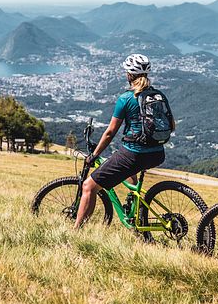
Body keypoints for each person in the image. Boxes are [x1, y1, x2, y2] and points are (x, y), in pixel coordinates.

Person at [74, 53, 174, 228]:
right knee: (125, 162)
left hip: (135, 155)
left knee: (89, 186)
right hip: (158, 153)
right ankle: (134, 199)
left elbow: (110, 132)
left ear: (129, 75)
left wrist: (94, 155)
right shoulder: (158, 96)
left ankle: (76, 231)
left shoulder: (126, 99)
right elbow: (171, 125)